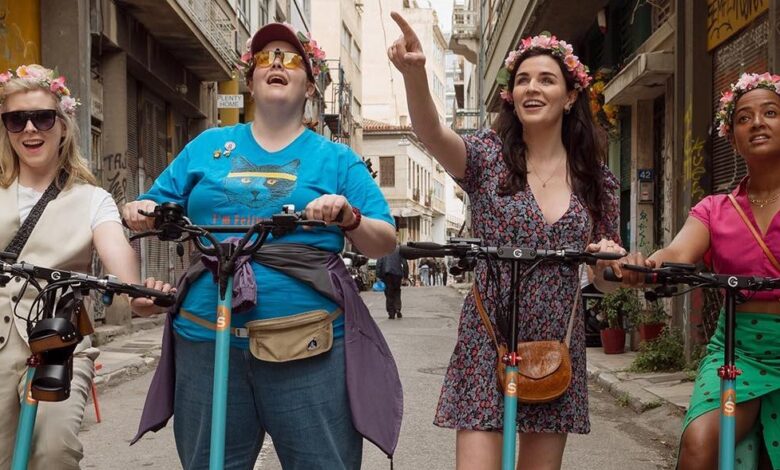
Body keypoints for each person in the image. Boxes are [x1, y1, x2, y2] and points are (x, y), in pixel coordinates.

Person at [124, 23, 401, 469]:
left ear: (310, 86)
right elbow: (153, 205)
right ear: (250, 80)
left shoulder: (337, 158)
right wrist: (138, 209)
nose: (277, 64)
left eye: (290, 59)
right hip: (204, 339)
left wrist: (348, 217)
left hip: (308, 345)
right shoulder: (207, 146)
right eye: (265, 58)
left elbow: (383, 240)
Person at [389, 13, 626, 469]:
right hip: (488, 335)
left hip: (557, 341)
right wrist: (415, 74)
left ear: (570, 95)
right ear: (511, 95)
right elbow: (432, 134)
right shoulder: (486, 157)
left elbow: (605, 280)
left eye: (546, 79)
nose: (532, 88)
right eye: (522, 80)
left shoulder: (597, 181)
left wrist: (609, 264)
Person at [0, 64, 168, 470]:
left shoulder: (93, 199)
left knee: (54, 450)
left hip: (59, 339)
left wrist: (138, 295)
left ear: (63, 125)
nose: (29, 129)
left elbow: (117, 256)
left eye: (42, 117)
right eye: (16, 120)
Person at [619, 72, 780, 470]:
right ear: (732, 138)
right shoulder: (715, 209)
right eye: (744, 118)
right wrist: (648, 265)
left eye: (771, 113)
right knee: (699, 443)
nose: (757, 123)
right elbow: (676, 252)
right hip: (738, 350)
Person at [376, 244, 409, 319]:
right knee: (397, 291)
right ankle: (397, 308)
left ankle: (391, 312)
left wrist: (378, 275)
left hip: (387, 274)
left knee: (389, 293)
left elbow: (379, 263)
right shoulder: (399, 250)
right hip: (397, 274)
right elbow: (405, 263)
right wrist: (405, 276)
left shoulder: (383, 249)